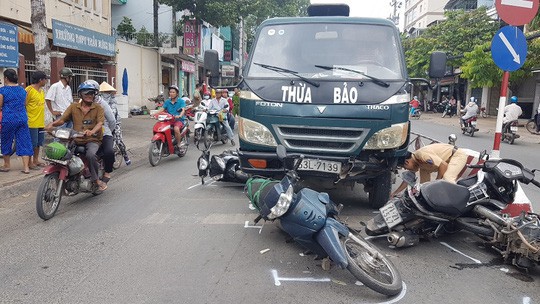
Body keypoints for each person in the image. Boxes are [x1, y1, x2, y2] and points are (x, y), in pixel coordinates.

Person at [45, 81, 107, 192]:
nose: (89, 95)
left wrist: (92, 131)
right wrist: (52, 125)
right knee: (62, 153)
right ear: (80, 94)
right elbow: (63, 119)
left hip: (92, 139)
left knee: (91, 155)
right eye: (86, 93)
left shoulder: (98, 108)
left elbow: (100, 123)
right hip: (75, 138)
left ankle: (96, 179)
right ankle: (70, 174)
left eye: (92, 93)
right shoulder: (73, 107)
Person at [390, 143, 468, 197]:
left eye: (404, 167)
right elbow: (408, 180)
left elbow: (443, 165)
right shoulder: (419, 163)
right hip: (447, 160)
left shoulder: (421, 155)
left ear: (407, 162)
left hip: (457, 155)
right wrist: (395, 193)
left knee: (447, 178)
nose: (405, 169)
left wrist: (437, 181)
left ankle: (456, 202)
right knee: (424, 187)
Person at [0, 69, 33, 174]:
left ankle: (6, 165)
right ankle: (26, 168)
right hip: (22, 118)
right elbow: (24, 104)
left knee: (6, 141)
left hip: (8, 119)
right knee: (24, 141)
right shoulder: (23, 90)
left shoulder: (3, 90)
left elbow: (0, 105)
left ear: (6, 78)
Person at [86, 80, 116, 185]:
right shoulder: (81, 103)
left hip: (104, 132)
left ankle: (107, 172)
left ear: (96, 93)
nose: (87, 95)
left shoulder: (102, 104)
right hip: (86, 132)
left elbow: (112, 121)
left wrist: (108, 132)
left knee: (109, 152)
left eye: (90, 92)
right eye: (85, 92)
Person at [100, 81, 131, 166]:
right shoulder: (98, 101)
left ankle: (125, 156)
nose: (106, 94)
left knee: (118, 141)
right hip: (102, 124)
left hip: (115, 123)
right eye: (104, 92)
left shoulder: (112, 102)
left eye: (107, 92)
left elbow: (112, 117)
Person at [25, 71, 49, 169]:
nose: (46, 81)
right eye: (45, 79)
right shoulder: (29, 90)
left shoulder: (41, 91)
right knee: (32, 143)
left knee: (39, 143)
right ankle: (30, 162)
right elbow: (24, 104)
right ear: (40, 80)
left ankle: (36, 160)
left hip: (40, 122)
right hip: (31, 122)